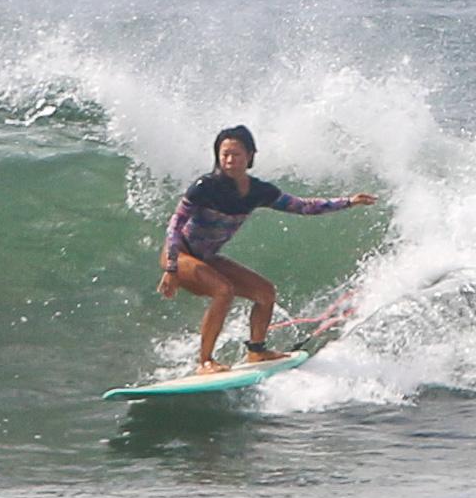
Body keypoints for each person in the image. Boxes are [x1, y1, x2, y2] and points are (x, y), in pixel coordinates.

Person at [158, 125, 377, 374]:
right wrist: (172, 267)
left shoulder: (259, 192)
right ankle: (204, 362)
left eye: (236, 154)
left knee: (265, 292)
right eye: (224, 154)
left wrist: (348, 202)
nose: (229, 160)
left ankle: (257, 351)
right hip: (180, 254)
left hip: (207, 258)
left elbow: (302, 206)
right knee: (223, 290)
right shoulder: (204, 187)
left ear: (250, 155)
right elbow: (175, 225)